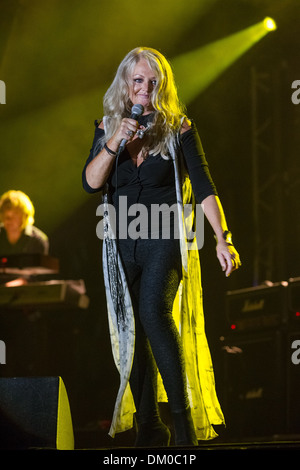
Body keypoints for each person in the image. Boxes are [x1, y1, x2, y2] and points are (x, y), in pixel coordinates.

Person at [82, 47, 241, 447]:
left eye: (153, 83)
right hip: (120, 241)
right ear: (126, 83)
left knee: (154, 311)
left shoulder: (178, 128)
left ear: (162, 86)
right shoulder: (108, 127)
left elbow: (204, 186)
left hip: (165, 235)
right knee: (133, 331)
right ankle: (150, 426)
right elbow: (90, 182)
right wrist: (115, 139)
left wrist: (223, 239)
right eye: (138, 81)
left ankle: (183, 427)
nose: (145, 90)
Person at [0, 190, 49, 256]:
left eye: (14, 215)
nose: (8, 220)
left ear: (25, 216)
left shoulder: (38, 241)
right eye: (6, 215)